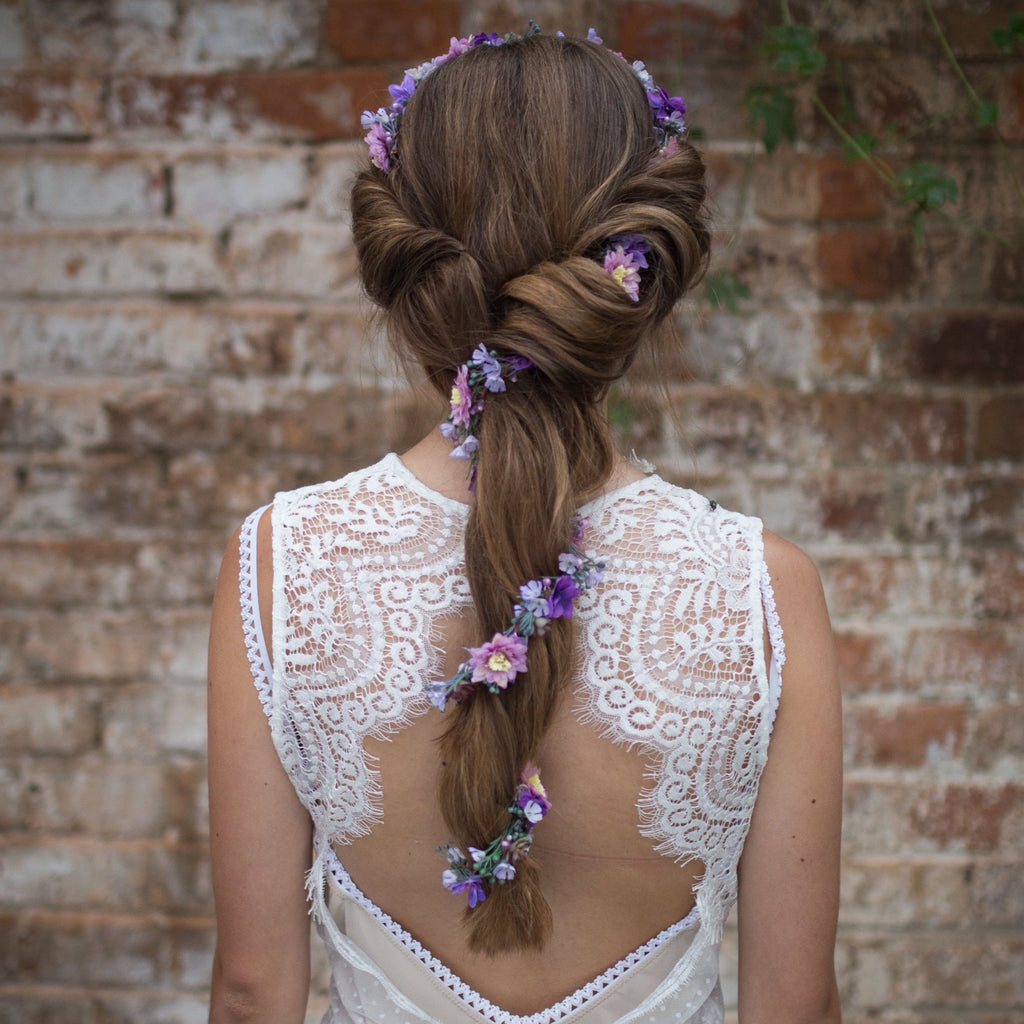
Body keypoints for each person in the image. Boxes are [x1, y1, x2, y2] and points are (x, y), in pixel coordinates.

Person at [206, 26, 842, 1024]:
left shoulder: (278, 564)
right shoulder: (764, 588)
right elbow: (794, 1009)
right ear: (644, 268)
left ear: (402, 260)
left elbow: (251, 993)